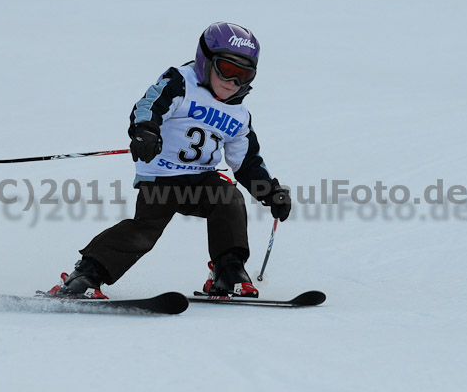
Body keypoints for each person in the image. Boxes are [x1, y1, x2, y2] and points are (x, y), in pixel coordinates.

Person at [50, 22, 291, 299]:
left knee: (228, 199)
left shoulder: (239, 115)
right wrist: (146, 131)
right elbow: (149, 105)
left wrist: (270, 192)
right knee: (145, 231)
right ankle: (86, 274)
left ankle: (228, 271)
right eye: (227, 70)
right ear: (206, 61)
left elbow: (247, 161)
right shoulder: (181, 82)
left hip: (201, 180)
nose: (233, 82)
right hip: (161, 177)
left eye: (244, 75)